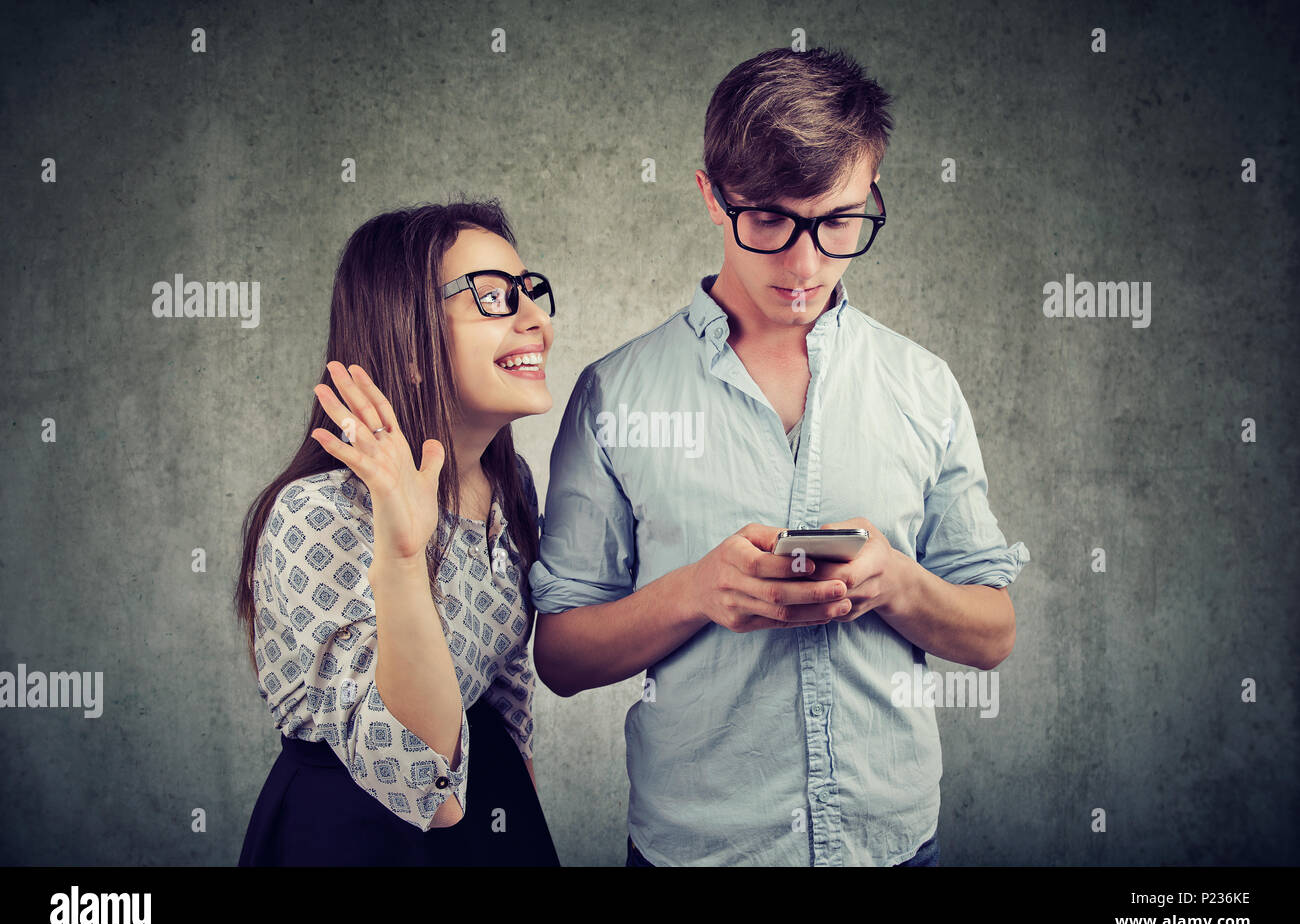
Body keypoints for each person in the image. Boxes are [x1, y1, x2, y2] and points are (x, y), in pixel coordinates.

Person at [528, 47, 1030, 866]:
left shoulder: (923, 384)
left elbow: (993, 635)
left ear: (872, 195)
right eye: (768, 218)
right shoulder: (615, 394)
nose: (804, 266)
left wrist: (897, 582)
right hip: (697, 851)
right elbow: (562, 657)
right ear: (710, 198)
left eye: (838, 221)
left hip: (891, 846)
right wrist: (696, 592)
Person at [234, 199, 561, 865]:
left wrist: (520, 813)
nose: (538, 320)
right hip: (359, 831)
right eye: (494, 297)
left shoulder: (510, 484)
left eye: (531, 292)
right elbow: (425, 792)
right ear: (409, 343)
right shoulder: (316, 513)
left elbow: (503, 677)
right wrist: (404, 557)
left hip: (485, 804)